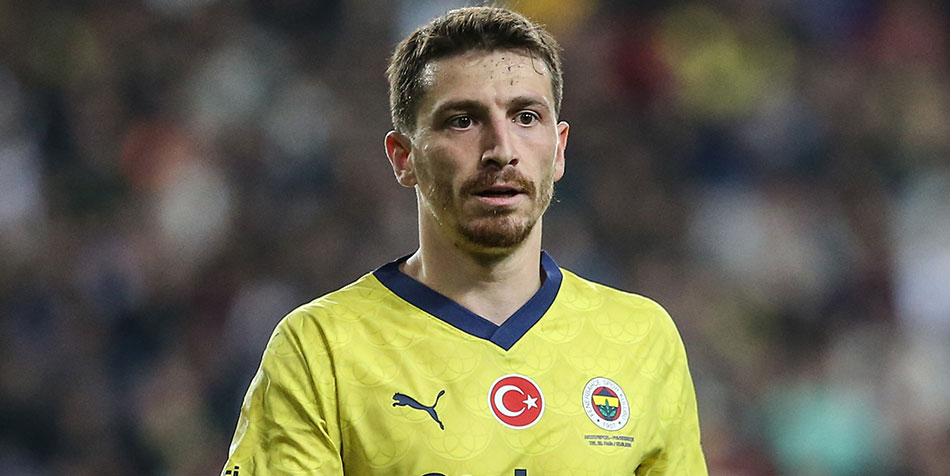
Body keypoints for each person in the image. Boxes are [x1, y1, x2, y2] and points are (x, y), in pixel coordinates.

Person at [221, 6, 706, 475]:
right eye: (462, 120)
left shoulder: (642, 338)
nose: (501, 150)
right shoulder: (320, 348)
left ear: (558, 150)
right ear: (404, 157)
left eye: (525, 117)